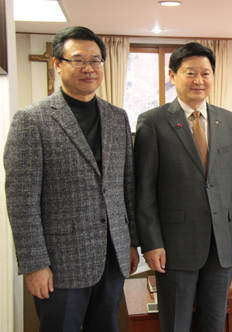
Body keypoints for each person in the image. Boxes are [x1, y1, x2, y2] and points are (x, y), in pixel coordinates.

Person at [4, 26, 139, 331]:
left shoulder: (117, 118)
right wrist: (35, 264)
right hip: (61, 263)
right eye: (78, 60)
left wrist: (131, 242)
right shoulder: (32, 120)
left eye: (96, 60)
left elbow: (125, 186)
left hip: (112, 257)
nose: (89, 68)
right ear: (57, 64)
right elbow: (21, 201)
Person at [134, 42, 232, 332]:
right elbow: (144, 191)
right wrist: (151, 242)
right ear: (172, 76)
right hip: (174, 246)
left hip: (222, 244)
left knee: (214, 323)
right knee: (176, 324)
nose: (199, 80)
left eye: (206, 73)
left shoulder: (230, 121)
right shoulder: (152, 122)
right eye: (190, 73)